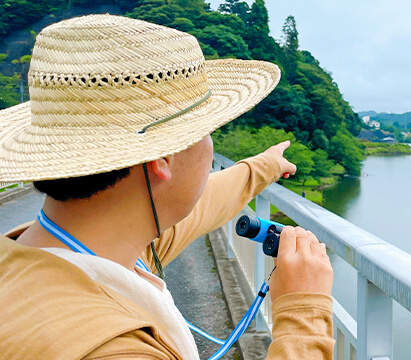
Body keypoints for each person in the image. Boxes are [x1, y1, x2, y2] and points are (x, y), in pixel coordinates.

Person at [0, 14, 334, 360]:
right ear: (164, 157)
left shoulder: (58, 255)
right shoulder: (112, 349)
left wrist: (266, 165)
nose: (210, 145)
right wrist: (304, 315)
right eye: (208, 130)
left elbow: (203, 204)